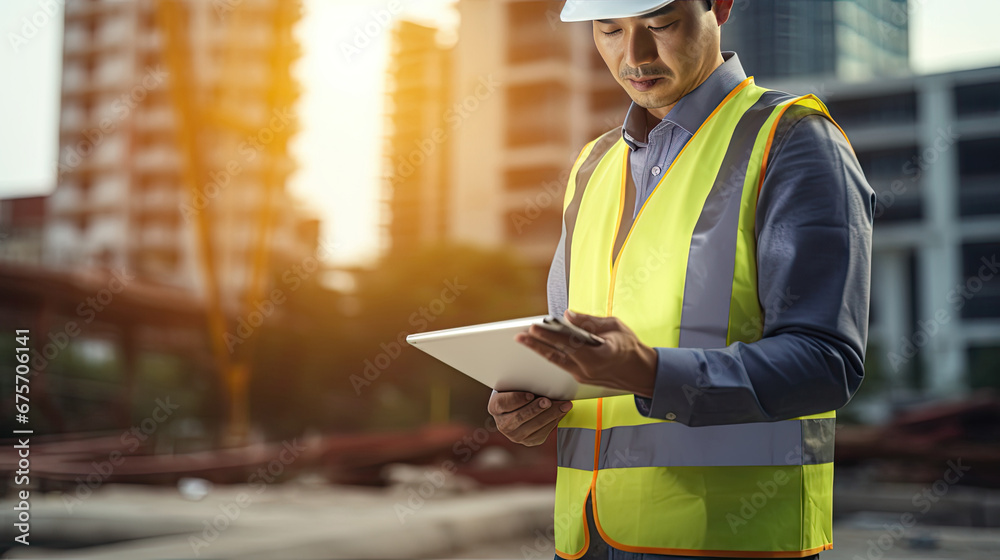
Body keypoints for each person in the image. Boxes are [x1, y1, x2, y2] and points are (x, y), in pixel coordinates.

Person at [486, 1, 876, 558]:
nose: (634, 56)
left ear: (719, 6)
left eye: (661, 25)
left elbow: (825, 362)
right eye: (610, 30)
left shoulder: (792, 142)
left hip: (730, 540)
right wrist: (531, 398)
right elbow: (570, 347)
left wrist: (649, 371)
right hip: (587, 537)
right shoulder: (592, 166)